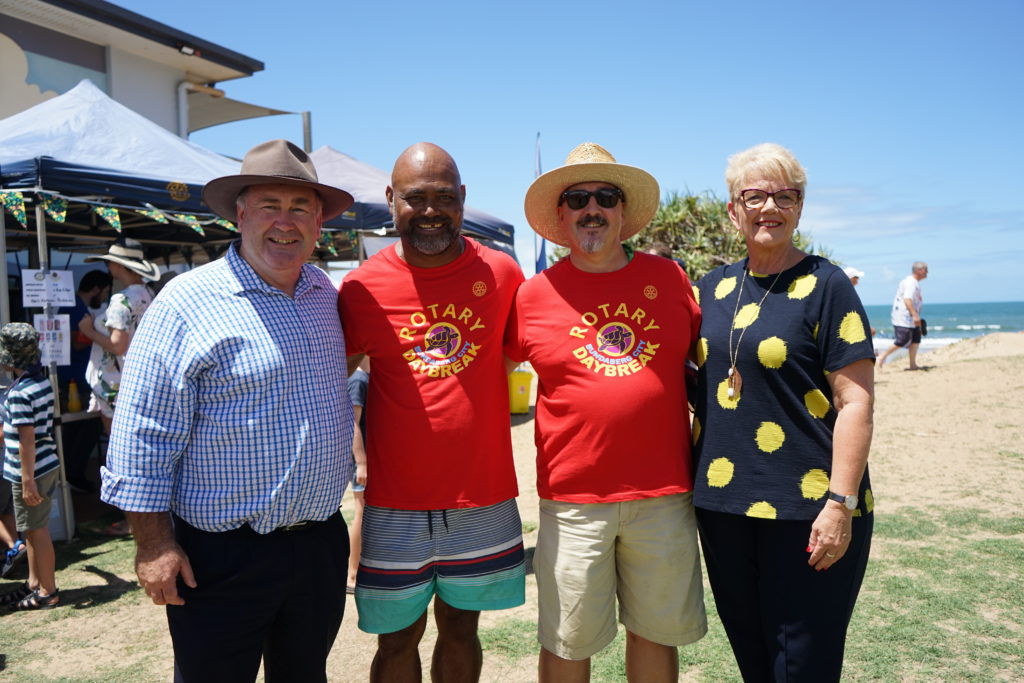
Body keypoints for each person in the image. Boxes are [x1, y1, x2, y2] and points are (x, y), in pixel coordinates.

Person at [100, 139, 356, 682]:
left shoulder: (327, 296)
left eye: (301, 208)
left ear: (318, 223)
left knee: (305, 675)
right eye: (270, 205)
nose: (285, 223)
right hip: (220, 557)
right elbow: (142, 431)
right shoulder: (186, 301)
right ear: (240, 214)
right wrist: (153, 544)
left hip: (318, 547)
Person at [505, 142, 707, 683]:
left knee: (655, 634)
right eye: (577, 198)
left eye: (605, 196)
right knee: (569, 643)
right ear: (561, 214)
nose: (591, 208)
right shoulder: (532, 295)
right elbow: (484, 372)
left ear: (622, 211)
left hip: (663, 495)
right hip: (574, 501)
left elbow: (718, 362)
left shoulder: (669, 279)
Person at [338, 142, 526, 682]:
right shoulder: (361, 288)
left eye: (444, 197)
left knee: (463, 631)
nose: (430, 211)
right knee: (395, 642)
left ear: (463, 199)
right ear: (391, 199)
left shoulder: (502, 274)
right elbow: (323, 380)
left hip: (480, 493)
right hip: (395, 503)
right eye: (415, 198)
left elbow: (540, 354)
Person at [692, 143, 875, 681]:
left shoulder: (827, 284)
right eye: (755, 195)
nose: (769, 206)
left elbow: (856, 400)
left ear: (800, 208)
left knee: (802, 667)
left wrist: (840, 504)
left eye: (785, 195)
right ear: (732, 209)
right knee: (754, 660)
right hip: (722, 507)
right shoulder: (711, 287)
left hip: (809, 512)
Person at [0, 323, 60, 610]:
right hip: (45, 465)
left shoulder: (20, 393)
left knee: (38, 531)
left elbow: (26, 438)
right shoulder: (41, 382)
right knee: (31, 529)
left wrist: (26, 479)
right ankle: (34, 582)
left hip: (31, 471)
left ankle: (48, 590)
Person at [57, 269, 112, 493]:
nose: (105, 296)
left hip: (75, 374)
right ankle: (74, 473)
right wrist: (97, 335)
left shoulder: (74, 305)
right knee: (85, 424)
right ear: (97, 289)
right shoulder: (75, 307)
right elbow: (76, 342)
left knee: (77, 426)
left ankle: (72, 472)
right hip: (75, 376)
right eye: (105, 291)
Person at [345, 358, 369, 594]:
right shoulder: (359, 379)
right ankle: (352, 575)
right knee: (360, 511)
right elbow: (352, 424)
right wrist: (361, 462)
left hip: (372, 459)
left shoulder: (367, 376)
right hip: (363, 461)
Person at [876, 261, 929, 370]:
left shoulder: (914, 283)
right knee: (902, 340)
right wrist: (914, 315)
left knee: (916, 339)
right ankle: (882, 357)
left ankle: (913, 364)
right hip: (904, 317)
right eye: (925, 270)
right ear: (919, 270)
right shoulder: (911, 282)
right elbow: (907, 299)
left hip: (910, 317)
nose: (927, 272)